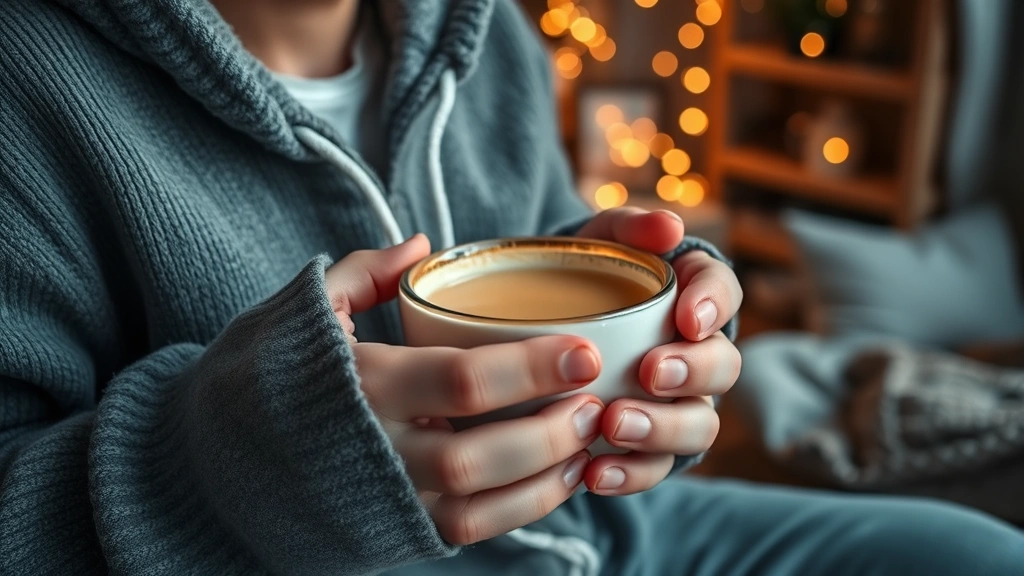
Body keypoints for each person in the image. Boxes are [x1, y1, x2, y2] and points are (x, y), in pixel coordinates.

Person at [0, 0, 1021, 574]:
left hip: (589, 538)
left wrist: (647, 350)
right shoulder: (25, 82)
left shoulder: (492, 39)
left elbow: (523, 264)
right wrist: (230, 473)